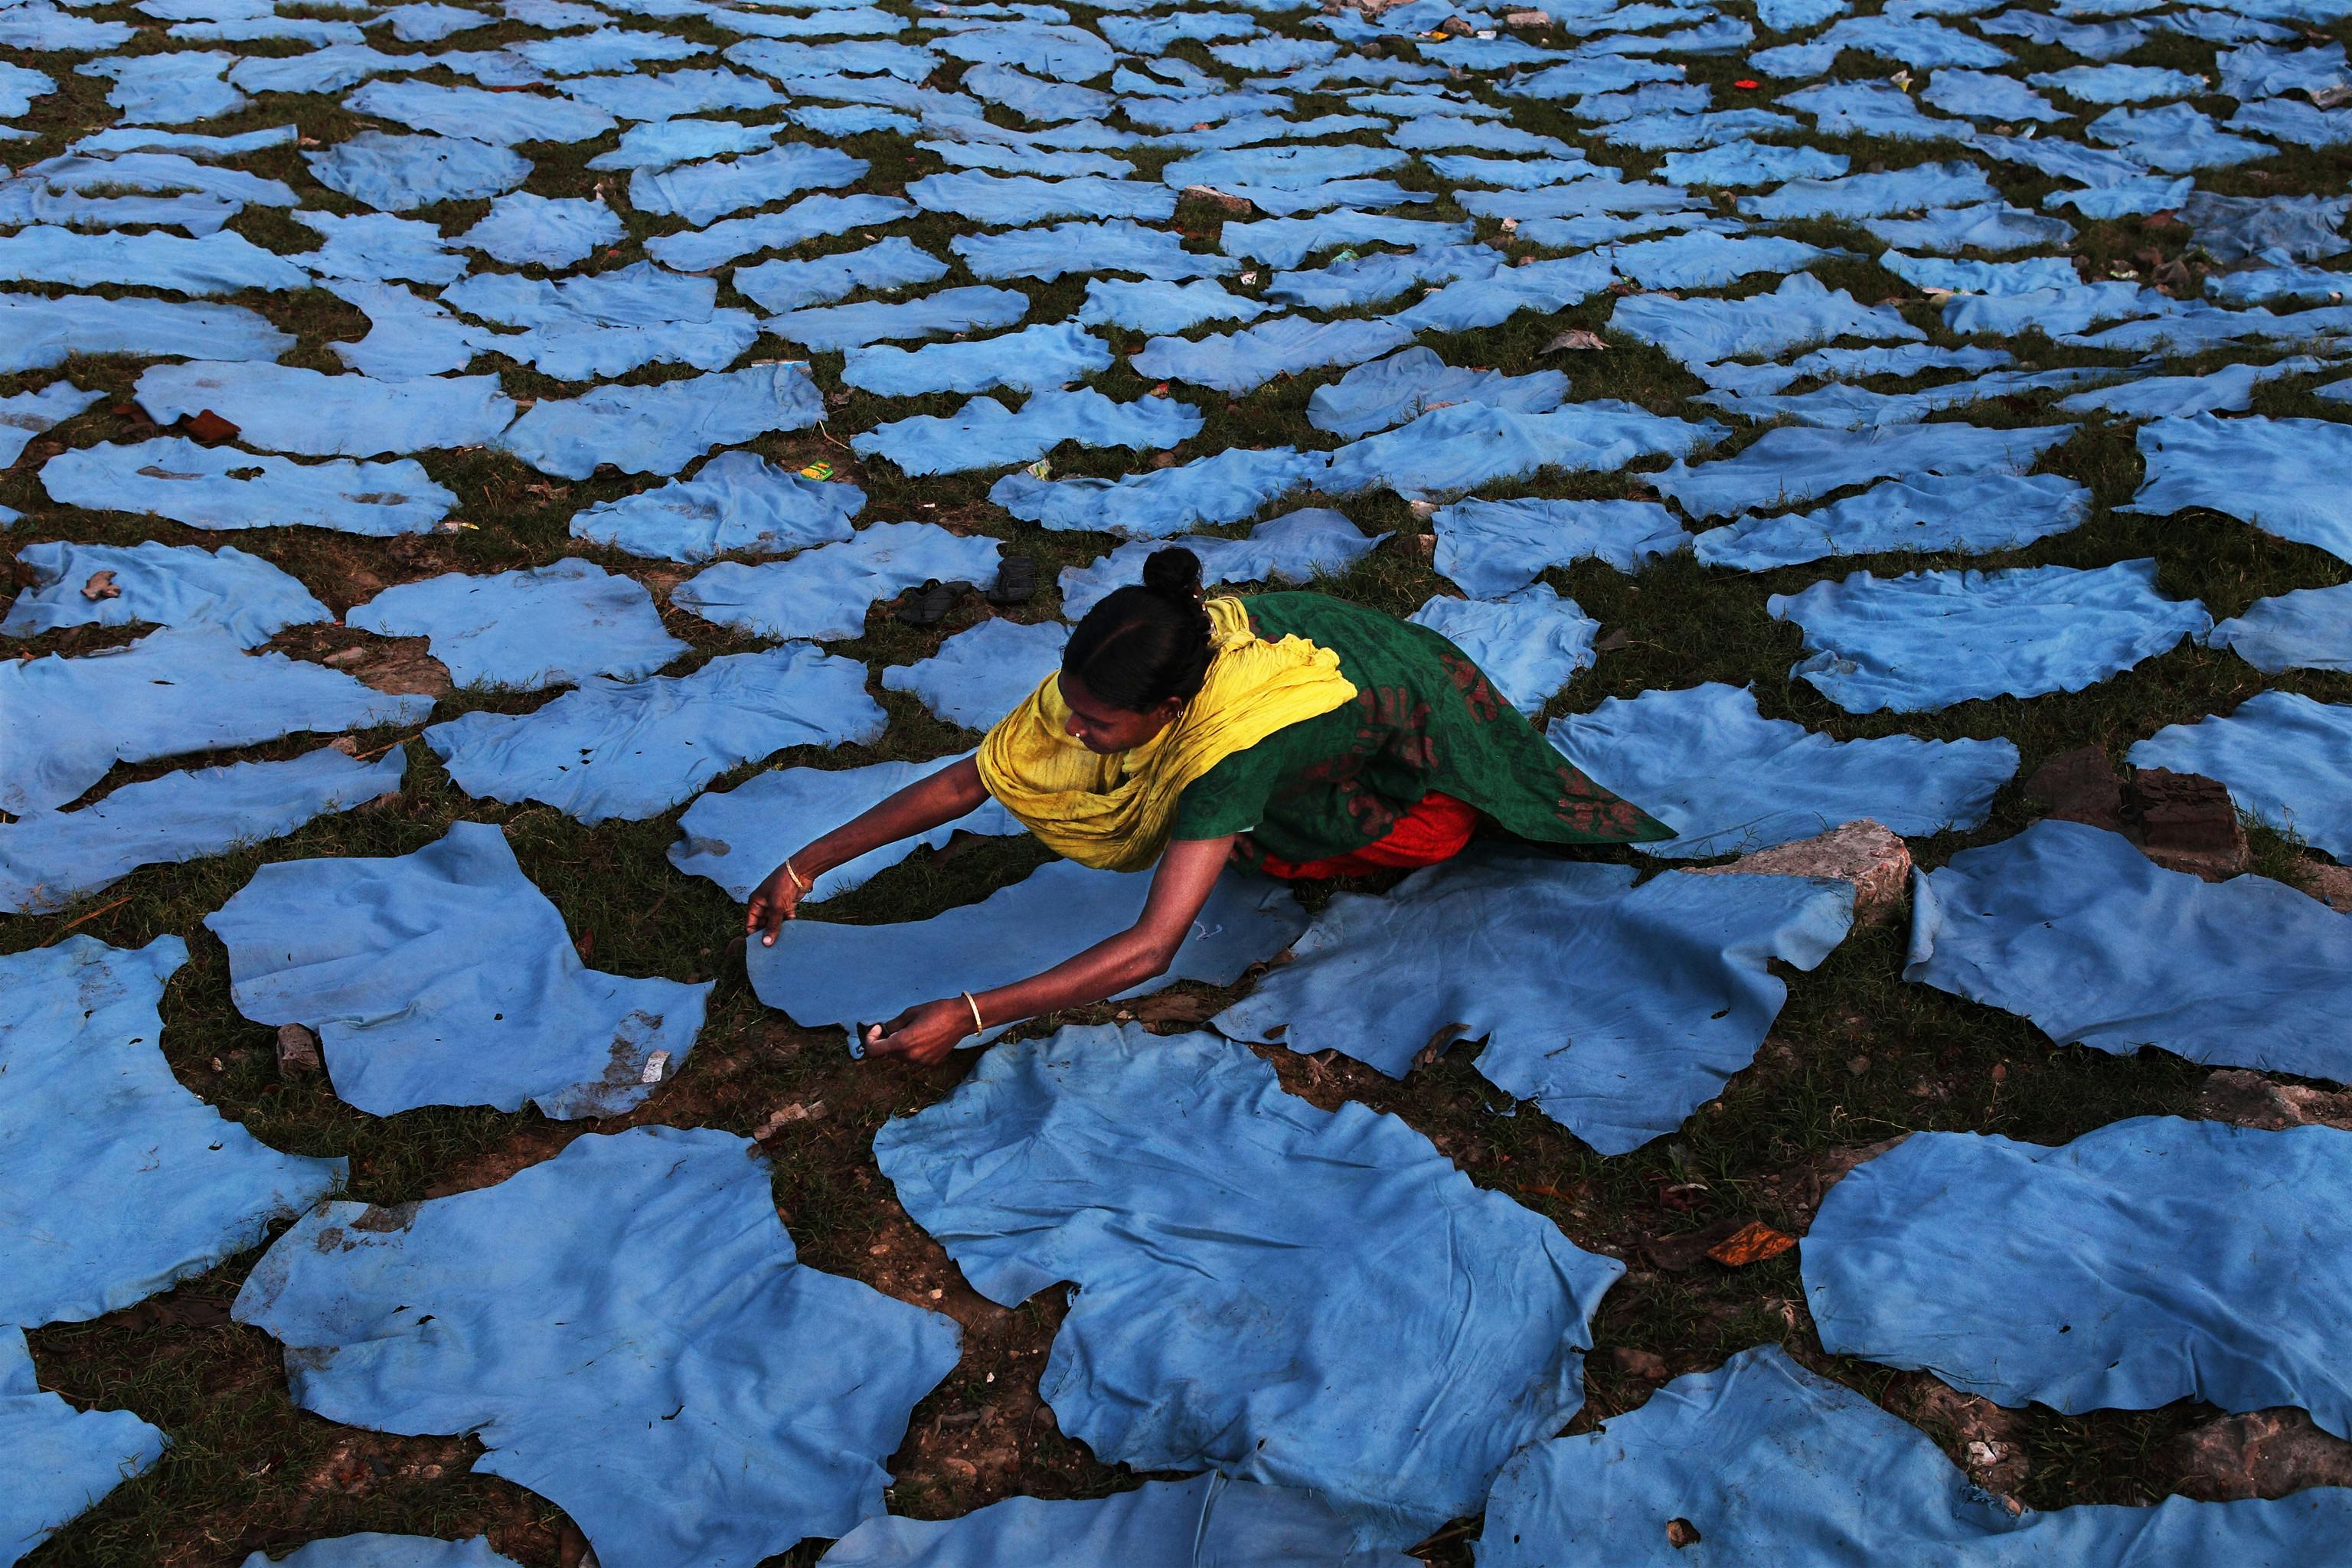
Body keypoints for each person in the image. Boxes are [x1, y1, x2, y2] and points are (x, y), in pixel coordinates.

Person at [746, 547, 1671, 1064]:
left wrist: (973, 1010)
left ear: (1174, 711)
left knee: (1423, 835)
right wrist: (803, 865)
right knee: (1231, 832)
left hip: (1407, 706)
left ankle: (1398, 800)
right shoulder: (1137, 662)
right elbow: (963, 780)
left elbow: (1153, 948)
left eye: (1104, 725)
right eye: (1071, 705)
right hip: (1328, 684)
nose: (1072, 731)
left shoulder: (1228, 748)